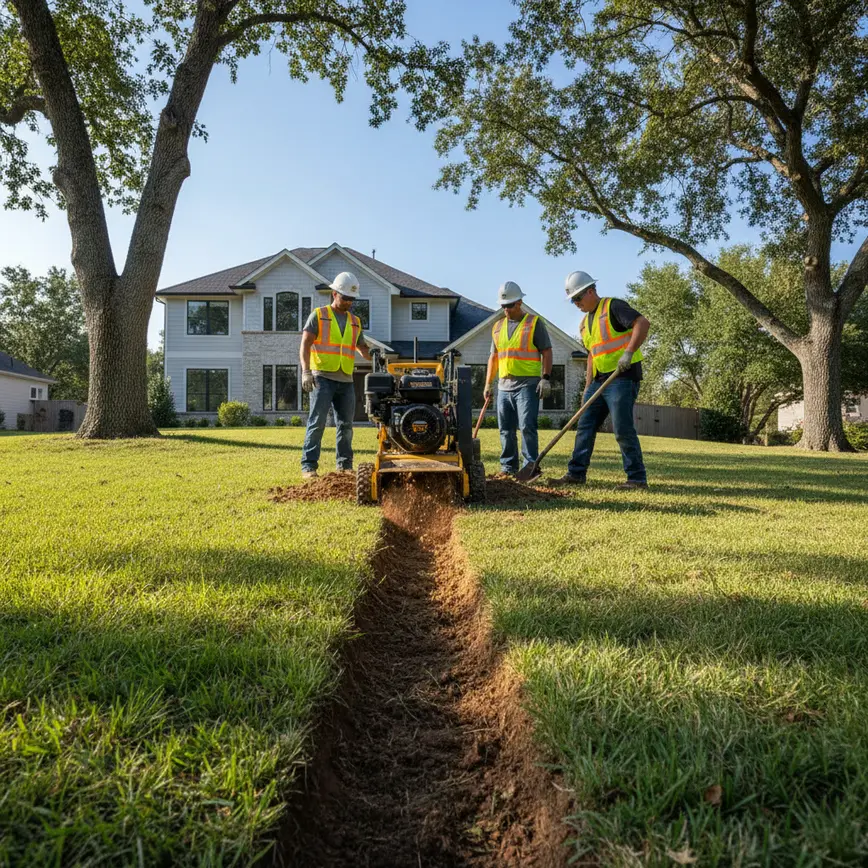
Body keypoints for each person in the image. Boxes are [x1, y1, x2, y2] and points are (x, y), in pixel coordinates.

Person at [558, 271, 650, 489]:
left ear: (591, 291)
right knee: (585, 426)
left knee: (622, 428)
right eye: (573, 300)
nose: (576, 303)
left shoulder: (613, 307)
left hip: (622, 378)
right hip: (599, 382)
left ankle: (637, 479)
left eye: (578, 298)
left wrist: (628, 353)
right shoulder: (584, 324)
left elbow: (642, 323)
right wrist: (587, 386)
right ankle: (576, 474)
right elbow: (592, 355)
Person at [299, 271, 371, 479]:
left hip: (346, 379)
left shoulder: (355, 321)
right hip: (322, 377)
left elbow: (362, 347)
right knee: (318, 421)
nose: (348, 302)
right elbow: (305, 345)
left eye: (351, 299)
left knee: (346, 425)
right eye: (345, 297)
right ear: (334, 294)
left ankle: (345, 466)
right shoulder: (319, 315)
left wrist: (375, 357)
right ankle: (309, 466)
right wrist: (306, 371)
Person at [483, 281, 554, 475]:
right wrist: (488, 383)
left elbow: (546, 351)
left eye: (510, 305)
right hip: (504, 386)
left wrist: (545, 378)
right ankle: (508, 467)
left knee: (527, 427)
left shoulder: (534, 323)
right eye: (503, 306)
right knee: (505, 429)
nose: (506, 309)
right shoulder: (497, 327)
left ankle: (531, 466)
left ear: (520, 302)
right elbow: (494, 357)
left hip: (527, 384)